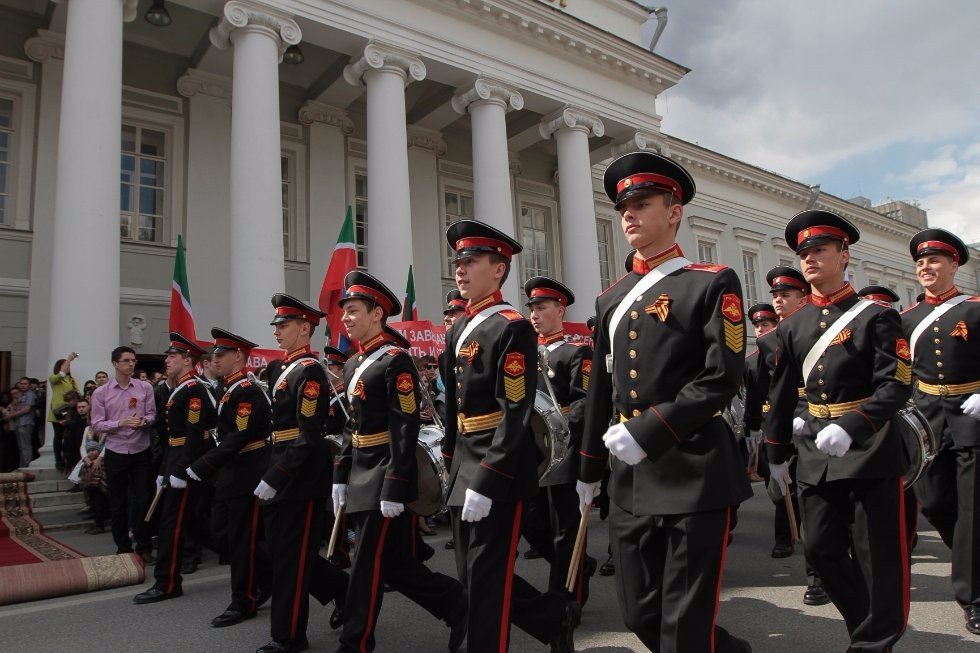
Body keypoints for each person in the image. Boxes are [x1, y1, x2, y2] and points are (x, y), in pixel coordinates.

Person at [576, 152, 751, 653]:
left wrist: (647, 431)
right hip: (631, 476)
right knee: (639, 612)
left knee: (685, 621)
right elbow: (601, 390)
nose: (628, 214)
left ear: (674, 212)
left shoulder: (711, 282)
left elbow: (721, 377)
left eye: (642, 203)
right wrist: (588, 468)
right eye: (623, 207)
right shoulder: (612, 298)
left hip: (694, 469)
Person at [766, 210, 911, 652]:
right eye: (803, 253)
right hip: (815, 452)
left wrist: (853, 425)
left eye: (819, 250)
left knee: (877, 556)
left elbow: (897, 384)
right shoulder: (792, 326)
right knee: (821, 551)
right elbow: (782, 391)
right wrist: (774, 454)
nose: (809, 259)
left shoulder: (876, 317)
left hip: (869, 448)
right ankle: (866, 625)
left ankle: (873, 642)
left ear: (845, 254)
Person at [442, 219, 578, 653]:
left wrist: (487, 476)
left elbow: (515, 411)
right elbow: (453, 408)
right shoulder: (458, 329)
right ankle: (551, 617)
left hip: (496, 467)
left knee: (485, 578)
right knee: (473, 573)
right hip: (465, 463)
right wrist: (451, 461)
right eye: (457, 262)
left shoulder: (511, 326)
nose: (460, 270)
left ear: (498, 269)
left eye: (470, 261)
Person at [331, 271, 466, 653]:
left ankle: (355, 642)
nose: (346, 318)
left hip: (382, 475)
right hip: (359, 473)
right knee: (394, 565)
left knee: (364, 564)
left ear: (377, 313)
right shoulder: (354, 361)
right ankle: (458, 603)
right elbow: (349, 426)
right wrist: (340, 474)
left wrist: (394, 485)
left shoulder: (395, 361)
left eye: (354, 310)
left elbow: (405, 429)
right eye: (345, 312)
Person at [254, 293, 349, 653]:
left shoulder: (310, 372)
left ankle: (290, 636)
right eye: (276, 325)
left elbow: (309, 435)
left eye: (284, 325)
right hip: (280, 464)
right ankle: (344, 591)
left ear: (305, 328)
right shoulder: (282, 369)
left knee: (291, 560)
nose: (277, 331)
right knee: (286, 555)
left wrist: (276, 475)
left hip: (300, 476)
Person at [899, 228, 980, 635]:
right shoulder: (906, 320)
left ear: (953, 265)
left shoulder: (976, 309)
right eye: (920, 263)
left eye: (933, 261)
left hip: (973, 418)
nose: (926, 267)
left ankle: (972, 596)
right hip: (928, 421)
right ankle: (972, 558)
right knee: (933, 503)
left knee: (971, 509)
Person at [188, 328, 272, 628]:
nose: (215, 359)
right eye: (214, 355)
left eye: (221, 354)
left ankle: (243, 600)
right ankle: (270, 575)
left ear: (239, 356)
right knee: (221, 533)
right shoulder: (228, 388)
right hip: (231, 474)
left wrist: (203, 464)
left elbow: (240, 436)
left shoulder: (247, 390)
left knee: (240, 541)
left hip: (247, 473)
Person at [523, 276, 597, 608]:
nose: (535, 315)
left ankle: (566, 598)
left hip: (564, 449)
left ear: (560, 309)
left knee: (564, 528)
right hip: (533, 450)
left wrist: (567, 432)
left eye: (541, 308)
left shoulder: (576, 352)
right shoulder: (525, 355)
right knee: (532, 523)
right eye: (532, 309)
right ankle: (580, 568)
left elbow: (585, 400)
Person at [134, 333, 217, 604]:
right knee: (197, 525)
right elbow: (171, 436)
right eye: (167, 356)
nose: (166, 360)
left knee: (173, 523)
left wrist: (180, 470)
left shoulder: (193, 389)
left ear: (187, 360)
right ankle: (254, 562)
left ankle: (166, 582)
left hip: (186, 465)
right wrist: (163, 470)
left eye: (172, 356)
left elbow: (194, 435)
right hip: (176, 460)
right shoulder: (179, 388)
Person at [860, 285, 921, 556]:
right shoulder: (856, 327)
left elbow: (906, 371)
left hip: (895, 410)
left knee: (902, 486)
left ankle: (904, 540)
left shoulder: (897, 325)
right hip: (861, 414)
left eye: (882, 305)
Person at [90, 346, 156, 561]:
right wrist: (120, 423)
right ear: (115, 364)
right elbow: (97, 424)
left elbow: (152, 415)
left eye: (133, 360)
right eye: (126, 360)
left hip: (140, 449)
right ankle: (123, 548)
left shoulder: (145, 388)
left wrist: (143, 421)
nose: (131, 364)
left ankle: (144, 545)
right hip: (116, 450)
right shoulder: (102, 392)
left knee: (145, 498)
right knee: (118, 502)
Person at [49, 354, 79, 472]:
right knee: (58, 435)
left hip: (70, 412)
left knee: (69, 436)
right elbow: (59, 376)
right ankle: (58, 460)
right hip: (58, 411)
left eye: (69, 365)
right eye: (66, 365)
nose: (68, 367)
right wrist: (69, 358)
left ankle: (68, 459)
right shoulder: (54, 377)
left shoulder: (71, 380)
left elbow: (77, 392)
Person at [5, 378, 36, 469]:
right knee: (21, 446)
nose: (23, 385)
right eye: (21, 383)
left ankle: (27, 464)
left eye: (25, 383)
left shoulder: (30, 394)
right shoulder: (21, 395)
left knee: (25, 445)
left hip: (26, 422)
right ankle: (22, 465)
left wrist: (12, 415)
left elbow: (27, 409)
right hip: (19, 423)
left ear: (29, 385)